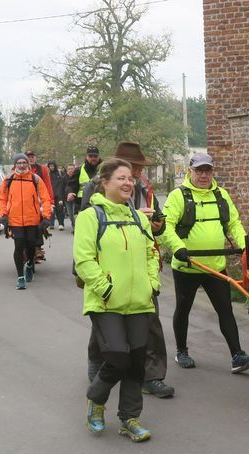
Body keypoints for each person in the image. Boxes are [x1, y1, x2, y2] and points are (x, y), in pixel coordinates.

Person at [74, 157, 160, 442]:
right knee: (117, 357)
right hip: (105, 303)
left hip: (139, 302)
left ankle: (129, 419)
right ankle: (96, 401)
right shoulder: (90, 216)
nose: (128, 183)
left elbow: (151, 252)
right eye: (121, 178)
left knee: (136, 362)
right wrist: (105, 288)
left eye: (130, 178)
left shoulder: (137, 216)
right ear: (105, 182)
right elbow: (83, 260)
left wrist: (152, 284)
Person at [81, 142, 174, 398]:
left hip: (140, 268)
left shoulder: (145, 187)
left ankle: (152, 376)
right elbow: (87, 229)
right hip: (108, 268)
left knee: (150, 324)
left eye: (138, 168)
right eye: (130, 168)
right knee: (104, 327)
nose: (134, 174)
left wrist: (155, 225)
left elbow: (154, 230)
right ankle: (97, 366)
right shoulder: (96, 187)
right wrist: (95, 279)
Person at [161, 152, 249, 373]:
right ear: (190, 171)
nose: (204, 175)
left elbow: (233, 222)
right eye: (199, 171)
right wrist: (178, 248)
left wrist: (245, 244)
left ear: (212, 172)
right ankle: (181, 352)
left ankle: (237, 356)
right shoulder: (178, 196)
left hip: (215, 265)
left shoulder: (221, 194)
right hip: (187, 265)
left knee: (225, 309)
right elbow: (166, 226)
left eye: (207, 171)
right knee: (183, 309)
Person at [0, 154, 52, 290]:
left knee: (31, 245)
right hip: (14, 219)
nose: (22, 165)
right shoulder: (8, 180)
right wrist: (3, 215)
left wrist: (46, 217)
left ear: (28, 164)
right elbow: (1, 199)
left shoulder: (35, 179)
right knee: (19, 245)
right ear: (15, 165)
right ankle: (20, 277)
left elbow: (45, 199)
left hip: (32, 219)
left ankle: (29, 264)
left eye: (24, 163)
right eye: (19, 163)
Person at [66, 145, 102, 212]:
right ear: (86, 157)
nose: (93, 158)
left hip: (101, 204)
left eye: (95, 156)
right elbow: (71, 185)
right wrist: (70, 192)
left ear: (99, 157)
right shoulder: (79, 170)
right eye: (90, 156)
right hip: (81, 204)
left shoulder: (105, 169)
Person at [48, 160, 66, 231]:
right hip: (51, 194)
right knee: (51, 209)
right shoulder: (48, 174)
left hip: (59, 194)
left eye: (52, 166)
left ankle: (61, 224)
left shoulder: (59, 173)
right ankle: (51, 224)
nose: (51, 167)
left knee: (60, 209)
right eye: (50, 166)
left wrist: (62, 195)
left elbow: (62, 184)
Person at [65, 163, 77, 232]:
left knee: (74, 213)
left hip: (75, 198)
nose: (70, 170)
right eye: (69, 169)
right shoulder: (64, 178)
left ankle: (76, 228)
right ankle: (73, 225)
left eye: (72, 169)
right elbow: (61, 188)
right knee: (70, 214)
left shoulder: (76, 177)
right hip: (67, 199)